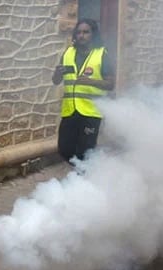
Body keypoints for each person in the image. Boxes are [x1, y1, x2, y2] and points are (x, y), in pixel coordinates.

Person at [52, 19, 115, 164]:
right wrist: (57, 73)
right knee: (64, 149)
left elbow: (111, 84)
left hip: (91, 113)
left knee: (85, 152)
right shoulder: (68, 53)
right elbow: (55, 81)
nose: (82, 35)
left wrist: (91, 81)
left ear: (93, 34)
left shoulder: (101, 54)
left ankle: (83, 180)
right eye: (79, 32)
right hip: (70, 111)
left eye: (86, 32)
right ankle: (80, 174)